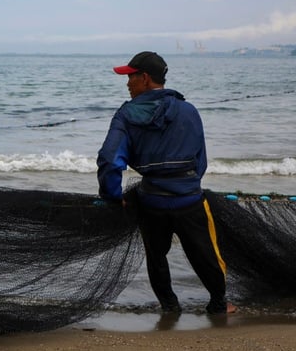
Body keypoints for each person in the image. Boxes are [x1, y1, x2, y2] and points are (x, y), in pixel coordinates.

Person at [97, 51, 235, 315]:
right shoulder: (188, 110)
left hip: (152, 203)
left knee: (156, 256)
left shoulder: (125, 115)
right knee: (206, 255)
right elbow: (200, 160)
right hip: (190, 199)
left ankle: (170, 307)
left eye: (131, 77)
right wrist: (187, 185)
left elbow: (109, 160)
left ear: (145, 79)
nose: (127, 83)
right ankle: (219, 304)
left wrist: (113, 195)